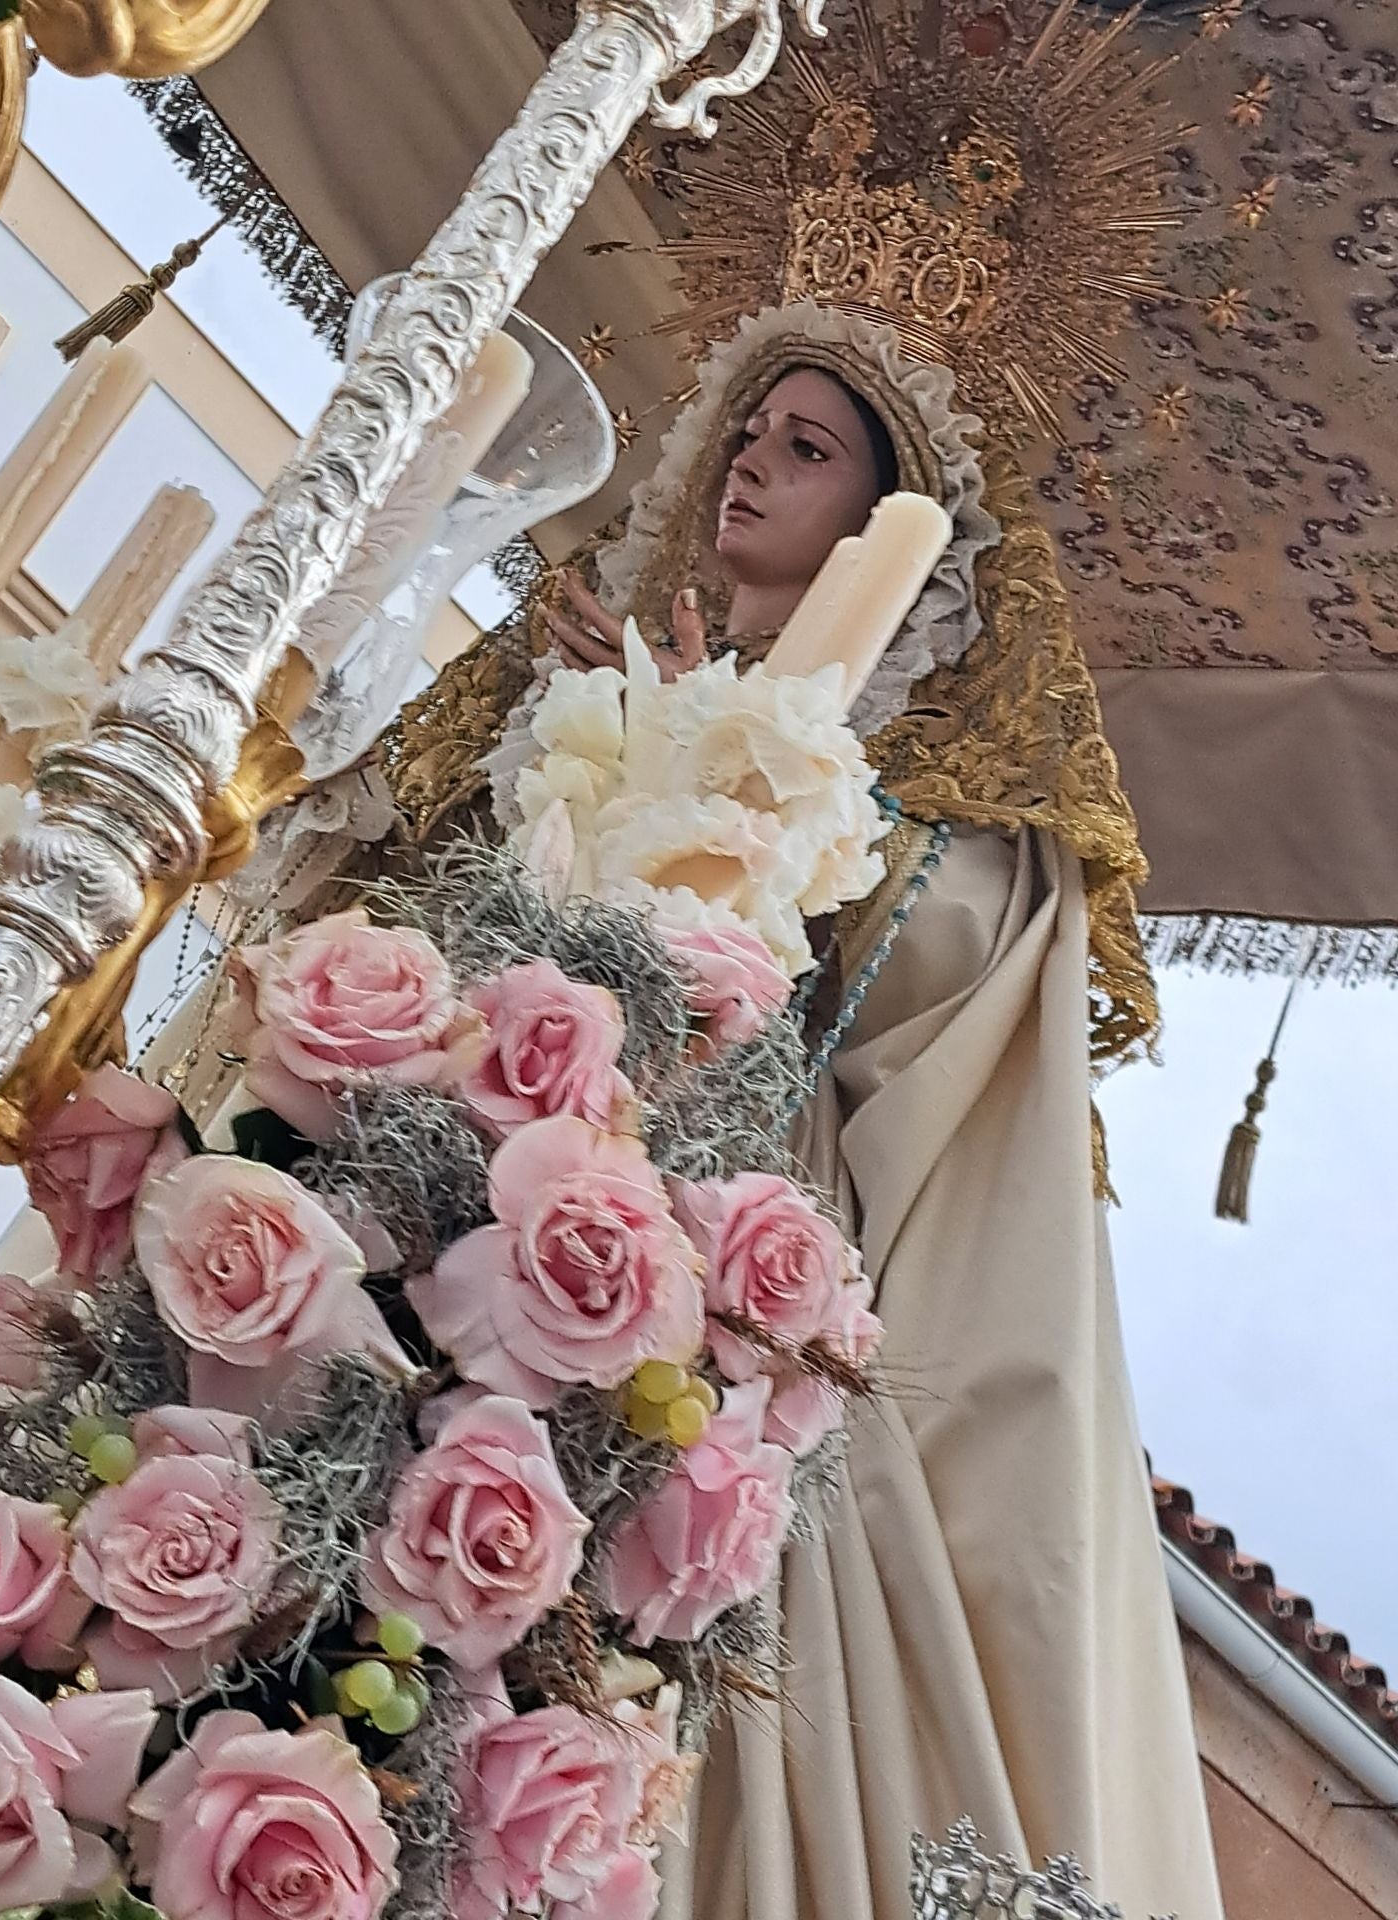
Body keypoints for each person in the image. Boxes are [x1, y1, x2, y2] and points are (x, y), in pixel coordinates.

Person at [383, 301, 1225, 1920]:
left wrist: (747, 767)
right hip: (494, 1173)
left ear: (888, 524)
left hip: (730, 1248)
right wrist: (608, 743)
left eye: (809, 446)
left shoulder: (954, 815)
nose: (751, 462)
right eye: (751, 431)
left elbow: (935, 992)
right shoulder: (598, 688)